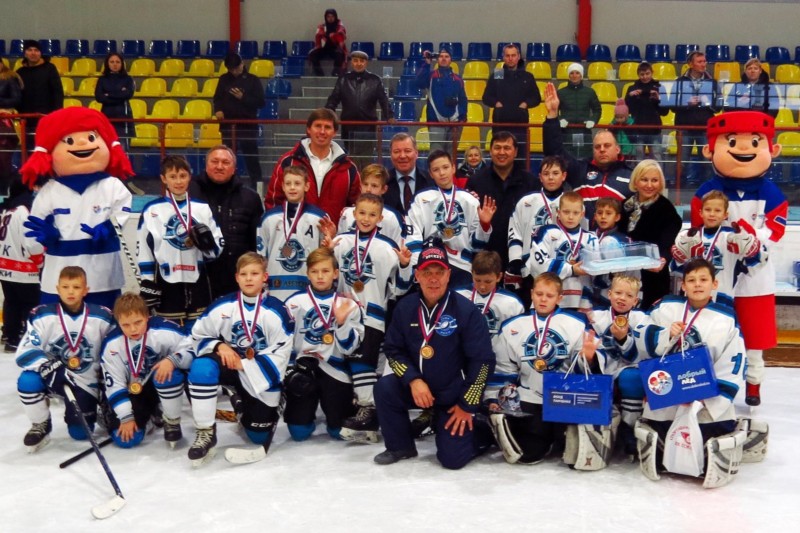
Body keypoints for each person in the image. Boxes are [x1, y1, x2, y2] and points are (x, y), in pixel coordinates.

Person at [374, 238, 495, 469]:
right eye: (427, 272)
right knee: (385, 388)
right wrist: (413, 380)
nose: (433, 279)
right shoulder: (405, 308)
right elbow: (392, 349)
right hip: (419, 389)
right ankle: (400, 446)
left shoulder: (466, 311)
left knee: (452, 460)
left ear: (448, 275)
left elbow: (483, 363)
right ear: (417, 275)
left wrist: (467, 405)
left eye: (439, 272)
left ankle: (481, 428)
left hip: (453, 395)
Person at [693, 111, 787, 406]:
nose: (744, 148)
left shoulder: (772, 192)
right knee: (712, 332)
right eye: (732, 141)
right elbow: (698, 229)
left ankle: (754, 384)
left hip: (756, 276)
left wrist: (752, 237)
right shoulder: (707, 192)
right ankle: (708, 383)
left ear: (772, 149)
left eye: (755, 142)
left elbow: (776, 231)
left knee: (755, 336)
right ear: (710, 150)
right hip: (717, 275)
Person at [633, 258, 747, 488]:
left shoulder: (726, 318)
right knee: (660, 430)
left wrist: (703, 399)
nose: (697, 284)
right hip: (667, 392)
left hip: (705, 398)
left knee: (708, 433)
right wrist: (665, 334)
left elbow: (733, 363)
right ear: (683, 285)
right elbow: (641, 333)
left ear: (714, 284)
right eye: (691, 280)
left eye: (703, 279)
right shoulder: (666, 307)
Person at [186, 252, 294, 466]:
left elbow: (282, 353)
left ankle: (239, 402)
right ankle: (205, 431)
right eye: (244, 274)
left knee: (258, 436)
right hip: (229, 365)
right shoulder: (222, 306)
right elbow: (197, 335)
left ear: (265, 277)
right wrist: (219, 345)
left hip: (259, 375)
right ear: (237, 277)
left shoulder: (278, 311)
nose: (249, 278)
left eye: (255, 273)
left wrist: (244, 364)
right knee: (201, 367)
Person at [20, 107, 133, 309]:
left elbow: (122, 215)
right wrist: (46, 239)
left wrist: (108, 229)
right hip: (60, 281)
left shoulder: (113, 186)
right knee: (55, 326)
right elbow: (32, 241)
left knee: (104, 325)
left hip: (103, 277)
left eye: (91, 138)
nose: (82, 144)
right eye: (69, 141)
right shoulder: (49, 192)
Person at [323, 193, 412, 442]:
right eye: (361, 213)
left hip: (373, 315)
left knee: (363, 360)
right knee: (350, 362)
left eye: (372, 214)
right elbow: (326, 275)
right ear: (354, 214)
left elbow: (401, 288)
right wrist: (326, 250)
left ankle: (369, 410)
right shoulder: (340, 242)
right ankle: (365, 411)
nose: (366, 218)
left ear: (380, 218)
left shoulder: (387, 247)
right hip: (344, 312)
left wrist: (405, 265)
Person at [487, 272, 599, 466]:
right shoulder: (512, 326)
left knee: (573, 456)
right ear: (531, 294)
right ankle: (525, 429)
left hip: (565, 398)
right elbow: (504, 367)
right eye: (539, 294)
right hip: (530, 398)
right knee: (529, 454)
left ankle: (561, 434)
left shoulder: (577, 323)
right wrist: (495, 398)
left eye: (549, 295)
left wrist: (588, 358)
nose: (543, 299)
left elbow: (585, 370)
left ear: (560, 298)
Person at [15, 266, 114, 452]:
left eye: (76, 287)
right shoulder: (42, 315)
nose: (70, 292)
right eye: (65, 287)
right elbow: (26, 352)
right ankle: (40, 424)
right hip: (53, 375)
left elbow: (114, 350)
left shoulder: (103, 316)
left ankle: (98, 405)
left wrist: (104, 384)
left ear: (85, 290)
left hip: (86, 380)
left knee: (80, 434)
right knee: (28, 380)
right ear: (57, 289)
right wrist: (49, 366)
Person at [283, 247, 363, 441]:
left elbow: (349, 348)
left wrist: (342, 323)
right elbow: (284, 341)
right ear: (307, 273)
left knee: (338, 431)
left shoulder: (348, 304)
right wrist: (291, 369)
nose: (320, 276)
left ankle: (336, 410)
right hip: (303, 369)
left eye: (325, 271)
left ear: (335, 273)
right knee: (299, 433)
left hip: (335, 370)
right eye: (315, 271)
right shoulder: (294, 302)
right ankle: (306, 413)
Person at [100, 293, 196, 448]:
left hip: (160, 382)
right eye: (125, 325)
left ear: (147, 316)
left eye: (138, 322)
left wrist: (172, 360)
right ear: (118, 322)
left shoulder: (165, 330)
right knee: (127, 440)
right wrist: (126, 417)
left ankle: (171, 421)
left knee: (170, 373)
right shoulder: (111, 344)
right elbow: (115, 384)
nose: (133, 329)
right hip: (133, 391)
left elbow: (194, 348)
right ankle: (151, 414)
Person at [137, 155, 223, 327]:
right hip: (165, 280)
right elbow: (144, 250)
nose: (178, 181)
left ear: (189, 177)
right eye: (173, 176)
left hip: (197, 279)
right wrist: (147, 282)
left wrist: (208, 246)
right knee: (168, 330)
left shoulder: (202, 208)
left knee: (198, 329)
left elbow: (217, 248)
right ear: (164, 179)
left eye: (183, 176)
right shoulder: (152, 210)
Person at [542, 82, 633, 222]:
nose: (602, 149)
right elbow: (554, 152)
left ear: (617, 149)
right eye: (597, 147)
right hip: (581, 234)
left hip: (616, 235)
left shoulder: (631, 176)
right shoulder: (579, 170)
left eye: (607, 146)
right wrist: (553, 115)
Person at [407, 150, 496, 287]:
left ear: (453, 168)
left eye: (445, 167)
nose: (442, 173)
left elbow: (477, 246)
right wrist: (416, 266)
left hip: (462, 266)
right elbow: (414, 234)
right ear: (430, 173)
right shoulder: (421, 198)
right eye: (436, 170)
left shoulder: (470, 200)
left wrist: (484, 225)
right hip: (431, 264)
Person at [189, 145, 263, 299]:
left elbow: (256, 243)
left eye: (225, 162)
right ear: (206, 165)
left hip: (236, 279)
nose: (219, 166)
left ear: (234, 168)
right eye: (214, 161)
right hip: (198, 277)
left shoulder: (250, 198)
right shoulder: (190, 194)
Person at [671, 190, 766, 309]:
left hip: (722, 297)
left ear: (725, 215)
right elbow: (676, 269)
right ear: (701, 212)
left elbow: (755, 265)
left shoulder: (733, 237)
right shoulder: (687, 236)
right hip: (693, 296)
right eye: (708, 209)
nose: (712, 214)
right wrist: (681, 257)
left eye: (717, 210)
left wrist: (752, 251)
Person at [266, 108, 360, 225]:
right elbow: (273, 202)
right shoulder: (288, 162)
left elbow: (357, 207)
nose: (322, 131)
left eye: (327, 127)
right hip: (294, 234)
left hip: (333, 235)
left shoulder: (348, 168)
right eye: (318, 126)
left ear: (335, 132)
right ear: (308, 129)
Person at [589, 274, 647, 457]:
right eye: (618, 293)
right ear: (609, 294)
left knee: (632, 378)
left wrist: (623, 339)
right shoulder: (595, 316)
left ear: (635, 301)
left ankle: (629, 428)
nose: (622, 298)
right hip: (602, 367)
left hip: (629, 368)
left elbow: (639, 355)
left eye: (629, 295)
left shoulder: (642, 319)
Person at [466, 131, 539, 271]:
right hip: (485, 260)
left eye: (507, 148)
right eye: (497, 147)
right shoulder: (475, 182)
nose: (501, 152)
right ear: (490, 151)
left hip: (521, 259)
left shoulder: (531, 183)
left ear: (515, 152)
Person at [257, 165, 326, 301]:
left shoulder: (319, 218)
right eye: (288, 183)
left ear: (307, 186)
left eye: (297, 183)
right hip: (275, 286)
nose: (292, 187)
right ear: (283, 186)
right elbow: (260, 256)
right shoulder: (268, 218)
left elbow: (325, 255)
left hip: (308, 287)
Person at [619, 159, 682, 310]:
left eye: (654, 180)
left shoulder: (666, 209)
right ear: (635, 181)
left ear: (660, 183)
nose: (649, 185)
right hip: (625, 272)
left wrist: (663, 258)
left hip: (653, 275)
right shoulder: (625, 205)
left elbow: (668, 243)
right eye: (644, 179)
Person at [507, 154, 568, 302]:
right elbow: (515, 232)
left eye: (555, 173)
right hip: (530, 269)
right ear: (540, 177)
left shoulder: (572, 202)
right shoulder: (526, 201)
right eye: (546, 174)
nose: (551, 178)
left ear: (564, 176)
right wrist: (515, 260)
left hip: (563, 269)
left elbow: (580, 234)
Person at [527, 192, 596, 311]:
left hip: (580, 301)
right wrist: (571, 269)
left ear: (582, 214)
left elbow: (596, 271)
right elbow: (538, 265)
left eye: (575, 213)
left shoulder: (591, 238)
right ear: (558, 212)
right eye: (566, 212)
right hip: (548, 300)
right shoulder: (545, 232)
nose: (570, 217)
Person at [325, 50, 393, 166]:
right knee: (352, 160)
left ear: (366, 63)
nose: (358, 63)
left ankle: (364, 178)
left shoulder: (375, 80)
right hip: (348, 126)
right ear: (351, 62)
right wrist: (327, 115)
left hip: (368, 127)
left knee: (366, 160)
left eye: (362, 61)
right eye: (355, 60)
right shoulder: (343, 79)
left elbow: (384, 100)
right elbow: (333, 99)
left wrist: (389, 116)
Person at [213, 53, 265, 190]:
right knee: (227, 158)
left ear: (242, 64)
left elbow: (261, 102)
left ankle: (257, 189)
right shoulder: (223, 79)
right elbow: (217, 98)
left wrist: (243, 97)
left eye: (237, 68)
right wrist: (218, 110)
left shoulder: (253, 80)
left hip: (247, 125)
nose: (235, 71)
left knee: (252, 159)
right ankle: (226, 186)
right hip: (228, 126)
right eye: (232, 69)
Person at [0, 180, 41, 352]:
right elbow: (31, 244)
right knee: (29, 305)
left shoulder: (7, 211)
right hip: (24, 270)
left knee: (11, 302)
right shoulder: (24, 211)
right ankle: (28, 339)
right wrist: (40, 261)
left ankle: (10, 337)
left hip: (5, 268)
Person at [482, 43, 541, 158]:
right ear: (503, 57)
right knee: (500, 157)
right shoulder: (497, 74)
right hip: (499, 125)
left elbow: (536, 98)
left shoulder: (527, 76)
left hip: (520, 126)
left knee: (520, 158)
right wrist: (496, 103)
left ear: (518, 57)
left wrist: (526, 104)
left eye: (513, 55)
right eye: (507, 55)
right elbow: (486, 97)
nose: (510, 58)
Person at [673, 51, 718, 184]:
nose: (703, 64)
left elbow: (719, 106)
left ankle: (707, 190)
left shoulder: (713, 82)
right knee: (682, 161)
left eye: (704, 61)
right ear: (690, 64)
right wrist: (686, 103)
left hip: (705, 128)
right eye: (699, 62)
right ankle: (679, 190)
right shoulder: (679, 82)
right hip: (684, 128)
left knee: (706, 161)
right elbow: (672, 105)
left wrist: (707, 102)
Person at [337, 163, 406, 244]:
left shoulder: (392, 217)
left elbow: (397, 247)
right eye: (365, 184)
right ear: (360, 185)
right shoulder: (347, 214)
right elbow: (340, 244)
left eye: (374, 186)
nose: (368, 189)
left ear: (384, 189)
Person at [416, 46, 467, 152]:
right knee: (436, 153)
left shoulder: (458, 79)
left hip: (455, 124)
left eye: (446, 56)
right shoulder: (431, 76)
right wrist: (427, 63)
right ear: (437, 59)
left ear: (451, 59)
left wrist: (462, 119)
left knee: (451, 155)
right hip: (436, 123)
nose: (443, 58)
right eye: (441, 56)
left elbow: (463, 99)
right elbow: (419, 83)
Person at [15, 39, 63, 152]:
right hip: (27, 119)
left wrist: (56, 113)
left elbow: (57, 92)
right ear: (25, 53)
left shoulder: (50, 68)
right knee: (29, 149)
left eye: (36, 50)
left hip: (47, 117)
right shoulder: (20, 72)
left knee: (47, 147)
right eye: (30, 50)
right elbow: (17, 94)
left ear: (40, 53)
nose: (33, 53)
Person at [590, 197, 635, 307]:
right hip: (592, 293)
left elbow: (632, 273)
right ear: (595, 216)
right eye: (600, 213)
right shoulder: (589, 237)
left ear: (617, 217)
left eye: (608, 213)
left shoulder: (623, 240)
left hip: (617, 295)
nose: (603, 216)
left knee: (608, 242)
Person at [556, 63, 600, 159]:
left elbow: (597, 110)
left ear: (581, 75)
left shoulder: (590, 92)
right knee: (566, 159)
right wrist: (560, 119)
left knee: (584, 159)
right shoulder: (561, 93)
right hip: (566, 133)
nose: (574, 75)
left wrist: (593, 120)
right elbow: (553, 110)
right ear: (568, 75)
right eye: (572, 73)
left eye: (577, 73)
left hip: (584, 132)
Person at [624, 62, 666, 161]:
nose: (645, 77)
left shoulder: (659, 88)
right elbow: (627, 110)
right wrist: (630, 97)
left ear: (652, 73)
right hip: (638, 128)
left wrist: (658, 99)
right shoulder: (632, 88)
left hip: (655, 129)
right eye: (642, 74)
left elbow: (664, 112)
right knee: (639, 157)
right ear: (638, 75)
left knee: (657, 156)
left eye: (647, 73)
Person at [384, 132, 432, 215]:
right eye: (396, 151)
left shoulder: (430, 180)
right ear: (391, 155)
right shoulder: (383, 181)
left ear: (416, 153)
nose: (402, 156)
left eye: (407, 151)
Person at [94, 52, 134, 146]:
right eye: (112, 62)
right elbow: (99, 97)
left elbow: (128, 94)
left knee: (123, 148)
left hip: (123, 118)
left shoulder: (128, 79)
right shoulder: (102, 79)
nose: (115, 64)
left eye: (117, 62)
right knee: (106, 146)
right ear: (107, 64)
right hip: (107, 117)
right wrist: (119, 93)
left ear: (122, 64)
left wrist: (108, 94)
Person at [0, 60, 23, 191]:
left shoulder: (10, 77)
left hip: (5, 119)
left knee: (4, 156)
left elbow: (17, 99)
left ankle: (5, 189)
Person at [309, 8, 347, 77]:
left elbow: (341, 38)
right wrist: (327, 35)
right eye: (328, 17)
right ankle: (320, 75)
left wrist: (331, 35)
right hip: (324, 48)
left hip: (335, 48)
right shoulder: (322, 27)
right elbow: (318, 37)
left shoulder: (340, 27)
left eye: (332, 16)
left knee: (340, 54)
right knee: (313, 55)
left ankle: (335, 73)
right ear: (325, 17)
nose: (330, 18)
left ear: (335, 17)